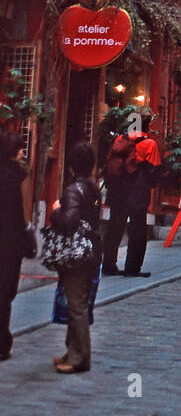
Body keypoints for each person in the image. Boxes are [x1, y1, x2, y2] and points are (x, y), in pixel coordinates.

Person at [50, 141, 102, 373]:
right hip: (91, 249)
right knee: (78, 301)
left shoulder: (73, 189)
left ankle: (79, 356)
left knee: (76, 304)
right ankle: (72, 351)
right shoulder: (93, 186)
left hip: (76, 252)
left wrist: (55, 210)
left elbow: (68, 220)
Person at [102, 109, 162, 277]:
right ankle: (132, 267)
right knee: (137, 230)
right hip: (137, 191)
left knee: (115, 227)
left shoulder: (120, 139)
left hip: (117, 190)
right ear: (148, 124)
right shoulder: (149, 143)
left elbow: (108, 163)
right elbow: (154, 171)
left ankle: (108, 265)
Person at [0, 130, 28, 361]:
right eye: (19, 148)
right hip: (8, 244)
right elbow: (16, 216)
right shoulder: (12, 178)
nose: (22, 152)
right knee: (4, 293)